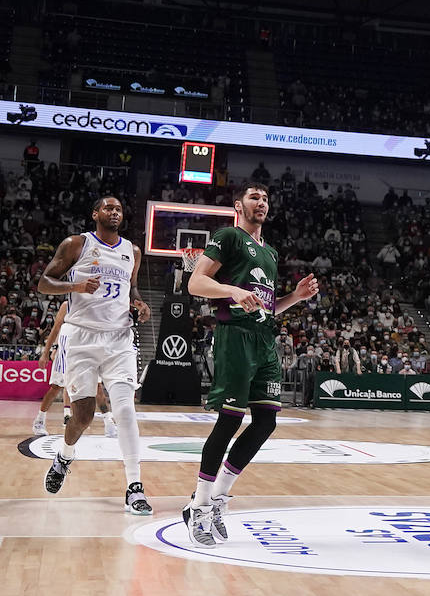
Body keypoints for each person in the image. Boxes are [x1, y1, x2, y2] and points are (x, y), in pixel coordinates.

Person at [183, 184, 320, 547]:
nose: (261, 203)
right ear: (238, 205)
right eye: (254, 198)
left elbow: (268, 306)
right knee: (229, 419)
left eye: (265, 199)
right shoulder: (228, 236)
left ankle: (218, 499)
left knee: (266, 421)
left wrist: (296, 297)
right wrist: (233, 291)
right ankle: (198, 505)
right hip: (235, 337)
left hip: (264, 341)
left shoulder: (270, 252)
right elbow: (196, 283)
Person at [35, 196, 153, 515]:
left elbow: (132, 289)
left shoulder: (133, 250)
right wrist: (76, 287)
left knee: (125, 410)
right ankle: (64, 456)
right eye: (108, 208)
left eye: (118, 209)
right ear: (95, 214)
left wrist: (140, 306)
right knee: (83, 417)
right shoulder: (76, 244)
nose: (114, 212)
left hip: (118, 338)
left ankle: (134, 486)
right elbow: (44, 284)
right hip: (81, 336)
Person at [32, 301, 69, 436]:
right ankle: (39, 420)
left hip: (83, 350)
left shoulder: (93, 304)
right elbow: (56, 329)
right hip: (65, 350)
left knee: (79, 389)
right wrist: (47, 351)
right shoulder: (67, 305)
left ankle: (70, 418)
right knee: (56, 387)